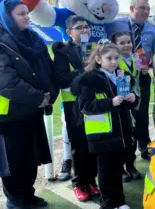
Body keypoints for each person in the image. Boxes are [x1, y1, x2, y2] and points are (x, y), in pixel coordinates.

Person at [0, 0, 58, 208]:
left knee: (31, 157)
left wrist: (50, 94)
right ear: (8, 16)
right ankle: (16, 201)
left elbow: (47, 68)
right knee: (13, 162)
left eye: (27, 13)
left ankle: (28, 195)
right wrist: (37, 97)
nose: (26, 17)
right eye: (20, 14)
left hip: (33, 110)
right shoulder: (1, 40)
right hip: (9, 115)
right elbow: (6, 80)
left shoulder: (33, 38)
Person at [71, 42, 138, 209]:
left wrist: (133, 99)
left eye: (116, 58)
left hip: (120, 133)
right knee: (106, 172)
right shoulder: (90, 79)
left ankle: (119, 201)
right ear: (99, 60)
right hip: (102, 135)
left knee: (116, 169)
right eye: (109, 58)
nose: (114, 62)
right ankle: (108, 203)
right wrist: (110, 102)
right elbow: (85, 106)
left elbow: (127, 103)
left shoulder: (122, 76)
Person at [52, 15, 99, 201]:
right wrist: (84, 70)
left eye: (86, 26)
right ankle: (79, 183)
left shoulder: (95, 49)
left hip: (94, 103)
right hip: (74, 105)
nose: (84, 30)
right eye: (79, 27)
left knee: (93, 142)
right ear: (69, 32)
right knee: (78, 146)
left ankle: (92, 180)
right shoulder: (62, 51)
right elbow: (61, 78)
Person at [110, 0, 155, 161]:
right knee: (123, 114)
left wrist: (151, 67)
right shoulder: (116, 24)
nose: (146, 12)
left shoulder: (152, 29)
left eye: (148, 9)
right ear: (132, 9)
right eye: (142, 8)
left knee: (142, 113)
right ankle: (125, 151)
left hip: (142, 78)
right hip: (120, 78)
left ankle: (144, 145)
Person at [110, 31, 143, 182]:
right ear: (114, 46)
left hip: (134, 102)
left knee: (133, 135)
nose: (126, 45)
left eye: (128, 42)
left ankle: (131, 164)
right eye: (121, 43)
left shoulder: (135, 58)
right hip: (121, 104)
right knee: (121, 135)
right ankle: (120, 168)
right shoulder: (115, 62)